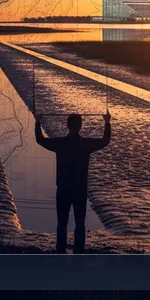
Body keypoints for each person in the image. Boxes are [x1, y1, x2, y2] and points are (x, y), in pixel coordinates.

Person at [34, 109, 112, 254]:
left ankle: (61, 251)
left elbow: (40, 140)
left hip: (63, 188)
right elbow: (105, 141)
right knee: (80, 223)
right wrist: (107, 122)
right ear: (80, 126)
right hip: (80, 188)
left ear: (67, 126)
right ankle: (78, 251)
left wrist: (38, 122)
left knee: (62, 223)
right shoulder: (85, 144)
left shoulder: (61, 143)